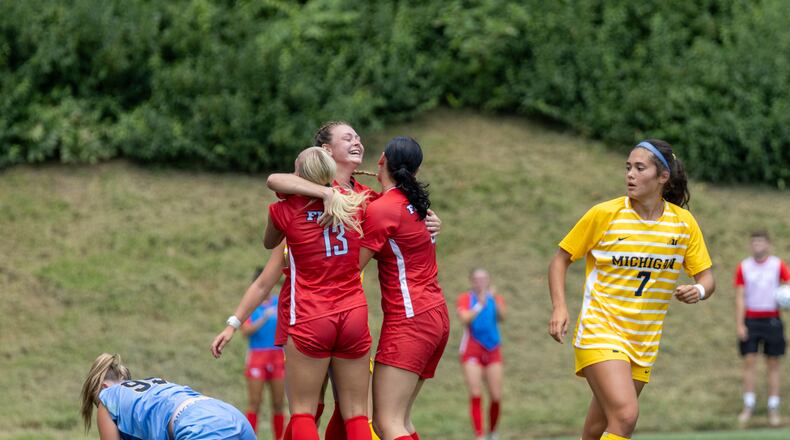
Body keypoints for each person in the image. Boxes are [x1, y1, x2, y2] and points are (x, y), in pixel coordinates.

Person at [547, 139, 715, 440]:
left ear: (663, 177)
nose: (630, 175)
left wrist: (699, 291)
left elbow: (707, 277)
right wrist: (560, 307)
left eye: (640, 168)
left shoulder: (683, 224)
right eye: (628, 168)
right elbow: (560, 260)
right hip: (601, 330)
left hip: (643, 341)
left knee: (598, 429)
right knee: (626, 416)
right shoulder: (605, 214)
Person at [264, 146, 372, 440]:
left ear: (298, 175)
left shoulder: (283, 211)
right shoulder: (355, 203)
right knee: (357, 413)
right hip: (354, 313)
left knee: (303, 412)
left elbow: (268, 242)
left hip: (311, 316)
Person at [358, 136, 450, 440]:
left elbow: (352, 267)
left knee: (386, 423)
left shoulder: (385, 208)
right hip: (434, 316)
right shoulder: (415, 204)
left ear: (381, 158)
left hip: (410, 320)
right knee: (402, 421)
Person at [80, 353, 255, 440]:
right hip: (230, 414)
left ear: (103, 387)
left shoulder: (107, 398)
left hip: (198, 426)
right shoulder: (151, 387)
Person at [735, 230, 790, 426]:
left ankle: (773, 408)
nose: (758, 245)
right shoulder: (744, 267)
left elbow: (788, 285)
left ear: (768, 244)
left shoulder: (777, 265)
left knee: (773, 364)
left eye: (761, 242)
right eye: (754, 242)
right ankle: (748, 406)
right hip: (751, 320)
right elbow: (740, 296)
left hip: (772, 320)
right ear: (751, 245)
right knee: (749, 362)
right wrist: (740, 324)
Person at [457, 268, 505, 440]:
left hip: (492, 348)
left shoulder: (495, 298)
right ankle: (479, 435)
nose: (481, 282)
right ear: (472, 281)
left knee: (496, 396)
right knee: (476, 393)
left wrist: (493, 301)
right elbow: (464, 319)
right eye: (477, 279)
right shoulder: (466, 298)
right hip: (472, 349)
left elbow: (502, 317)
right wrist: (480, 304)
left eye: (484, 278)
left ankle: (493, 433)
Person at [240, 267, 286, 438]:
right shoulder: (252, 306)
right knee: (254, 403)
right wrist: (263, 318)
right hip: (257, 357)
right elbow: (245, 331)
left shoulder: (279, 301)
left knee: (279, 403)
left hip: (278, 357)